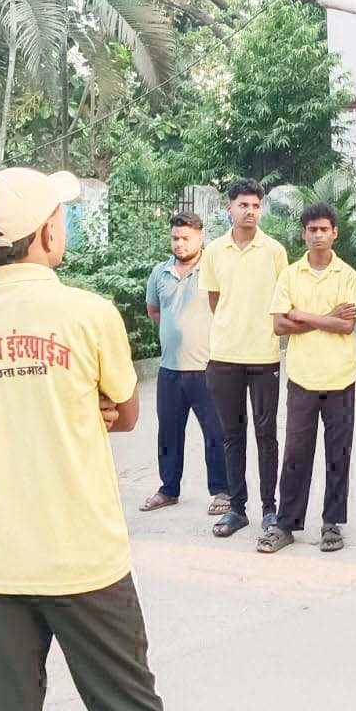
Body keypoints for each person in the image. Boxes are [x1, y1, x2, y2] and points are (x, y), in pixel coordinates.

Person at [0, 167, 189, 711]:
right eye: (62, 217)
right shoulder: (88, 314)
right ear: (47, 231)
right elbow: (127, 410)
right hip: (83, 557)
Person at [259, 202, 356, 554]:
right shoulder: (290, 274)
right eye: (312, 230)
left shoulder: (346, 274)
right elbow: (278, 324)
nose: (318, 235)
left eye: (324, 229)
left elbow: (347, 324)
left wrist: (302, 315)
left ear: (335, 233)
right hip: (302, 378)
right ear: (304, 233)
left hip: (340, 378)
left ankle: (332, 524)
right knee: (296, 452)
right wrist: (324, 317)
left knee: (337, 453)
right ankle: (285, 524)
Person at [201, 179, 289, 538]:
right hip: (224, 356)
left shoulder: (275, 251)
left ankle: (270, 509)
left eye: (255, 205)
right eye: (243, 205)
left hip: (264, 355)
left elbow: (284, 298)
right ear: (229, 208)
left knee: (266, 435)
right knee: (231, 434)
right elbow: (214, 299)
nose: (249, 211)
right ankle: (237, 509)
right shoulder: (214, 251)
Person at [141, 212, 230, 515]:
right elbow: (154, 311)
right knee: (168, 432)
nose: (179, 244)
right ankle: (168, 489)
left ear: (200, 238)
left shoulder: (212, 269)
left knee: (215, 433)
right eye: (175, 238)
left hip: (207, 367)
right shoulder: (160, 272)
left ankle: (221, 491)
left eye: (185, 238)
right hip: (169, 370)